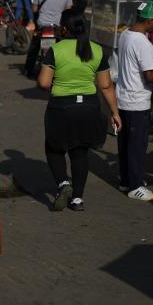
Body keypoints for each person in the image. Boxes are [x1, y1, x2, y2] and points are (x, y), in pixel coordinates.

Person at [37, 12, 121, 211]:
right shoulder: (97, 50)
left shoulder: (56, 50)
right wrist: (115, 113)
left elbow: (44, 82)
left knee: (54, 148)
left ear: (64, 29)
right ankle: (77, 199)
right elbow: (106, 85)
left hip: (61, 107)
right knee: (80, 152)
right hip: (89, 107)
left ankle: (63, 183)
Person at [115, 2, 153, 201]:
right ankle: (135, 186)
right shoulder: (143, 43)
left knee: (125, 142)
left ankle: (126, 180)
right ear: (150, 21)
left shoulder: (125, 34)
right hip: (137, 100)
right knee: (137, 145)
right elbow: (151, 76)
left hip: (122, 98)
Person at [26, 0, 73, 76]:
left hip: (42, 26)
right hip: (58, 27)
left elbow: (34, 9)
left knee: (34, 48)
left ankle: (29, 70)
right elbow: (69, 11)